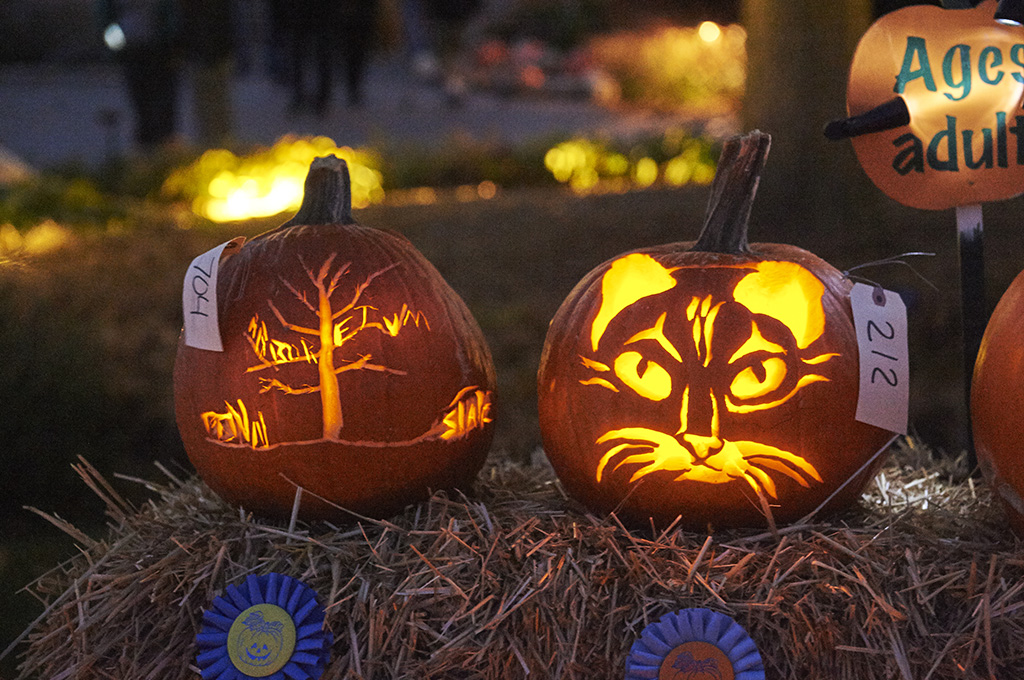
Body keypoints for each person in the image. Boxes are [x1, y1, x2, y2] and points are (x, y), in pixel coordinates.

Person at [97, 0, 181, 149]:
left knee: (162, 101)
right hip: (133, 49)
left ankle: (163, 143)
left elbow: (170, 15)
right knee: (141, 103)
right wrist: (116, 49)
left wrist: (170, 42)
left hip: (157, 49)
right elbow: (106, 17)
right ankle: (148, 145)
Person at [284, 0, 379, 114]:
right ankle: (317, 96)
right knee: (318, 46)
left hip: (311, 8)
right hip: (319, 8)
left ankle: (310, 95)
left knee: (309, 47)